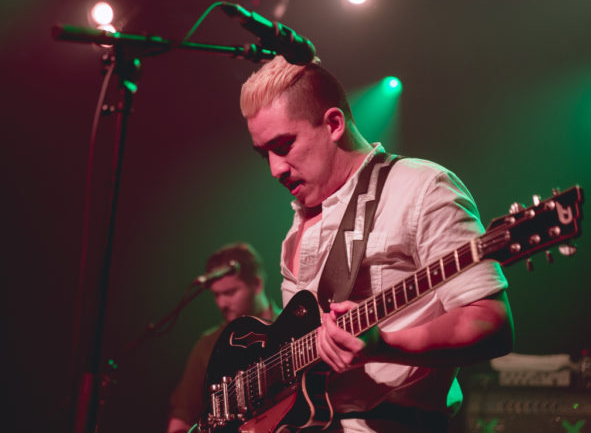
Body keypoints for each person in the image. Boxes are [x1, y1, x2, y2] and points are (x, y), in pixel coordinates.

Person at [238, 56, 514, 432]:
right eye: (264, 153)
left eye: (284, 145)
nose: (275, 168)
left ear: (333, 124)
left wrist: (386, 346)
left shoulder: (420, 188)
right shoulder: (299, 220)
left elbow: (491, 322)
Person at [166, 242, 280, 433]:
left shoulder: (290, 330)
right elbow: (181, 417)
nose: (222, 304)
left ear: (257, 284)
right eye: (216, 295)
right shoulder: (209, 344)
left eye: (230, 292)